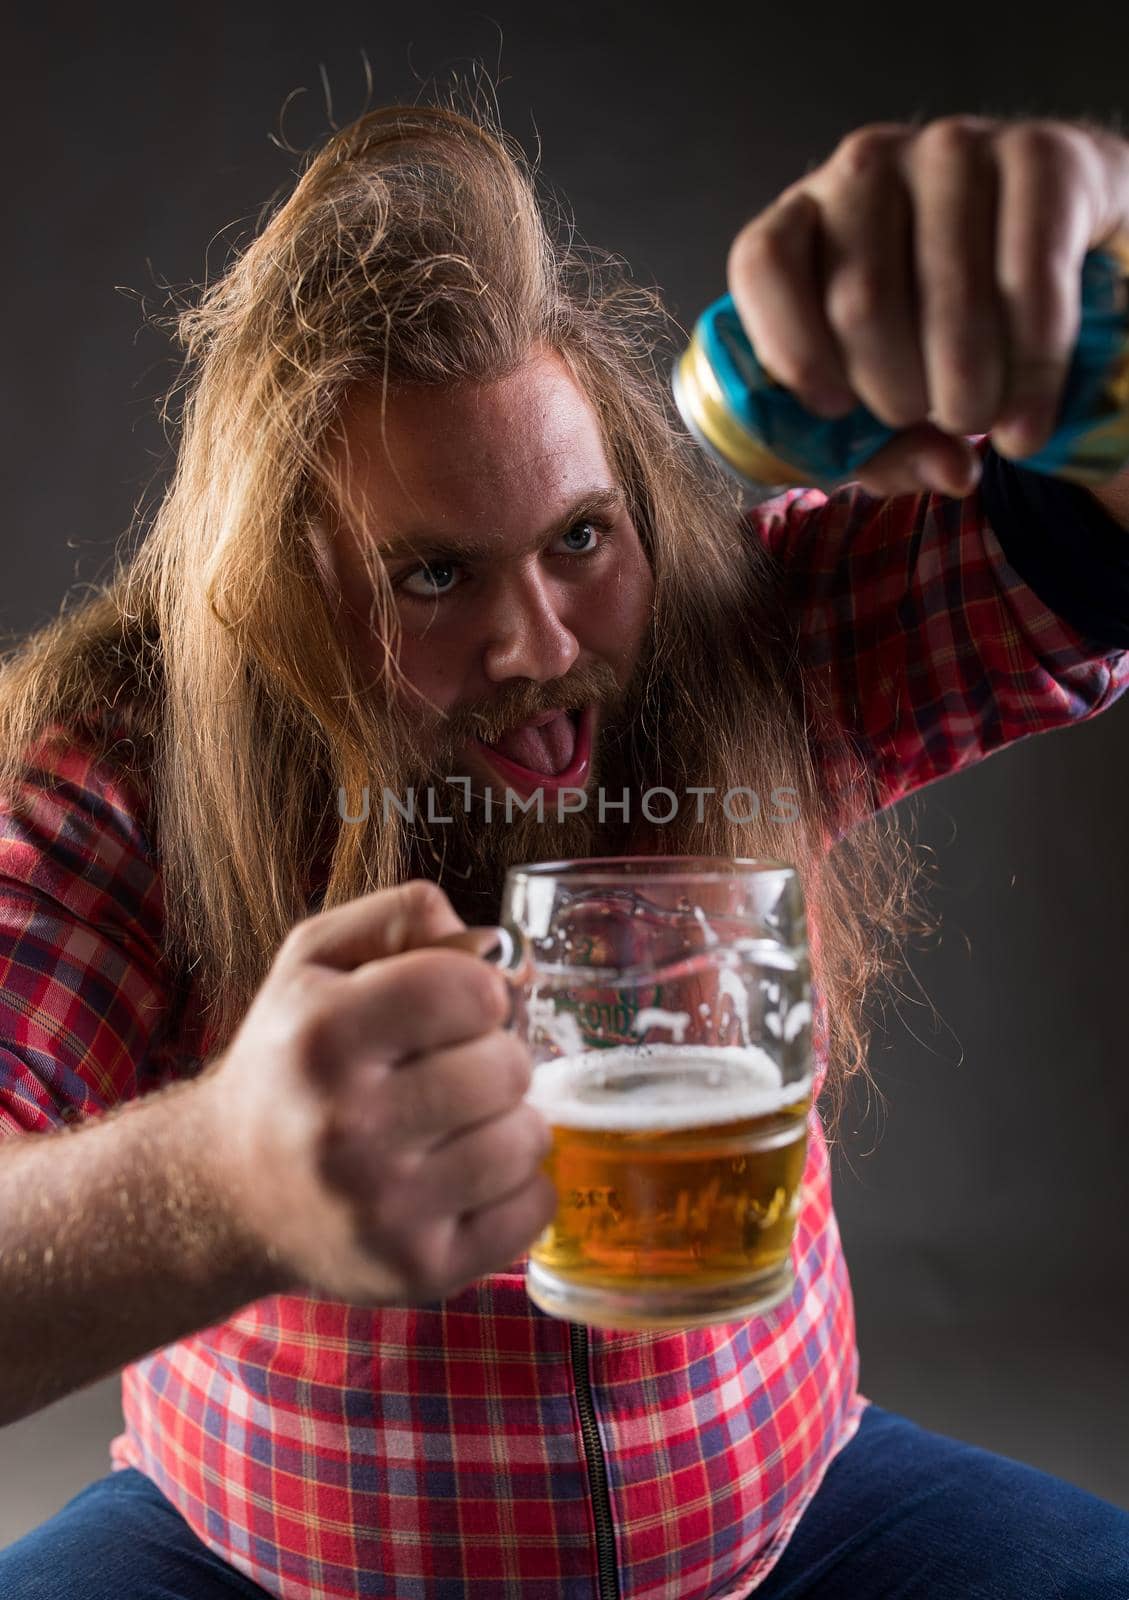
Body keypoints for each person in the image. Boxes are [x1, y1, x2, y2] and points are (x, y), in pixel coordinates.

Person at [1, 96, 1128, 1600]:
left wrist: (1092, 255)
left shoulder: (731, 643)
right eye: (431, 576)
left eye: (577, 539)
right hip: (245, 1560)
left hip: (802, 1527)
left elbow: (1089, 537)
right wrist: (222, 1187)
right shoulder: (121, 774)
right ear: (272, 600)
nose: (535, 644)